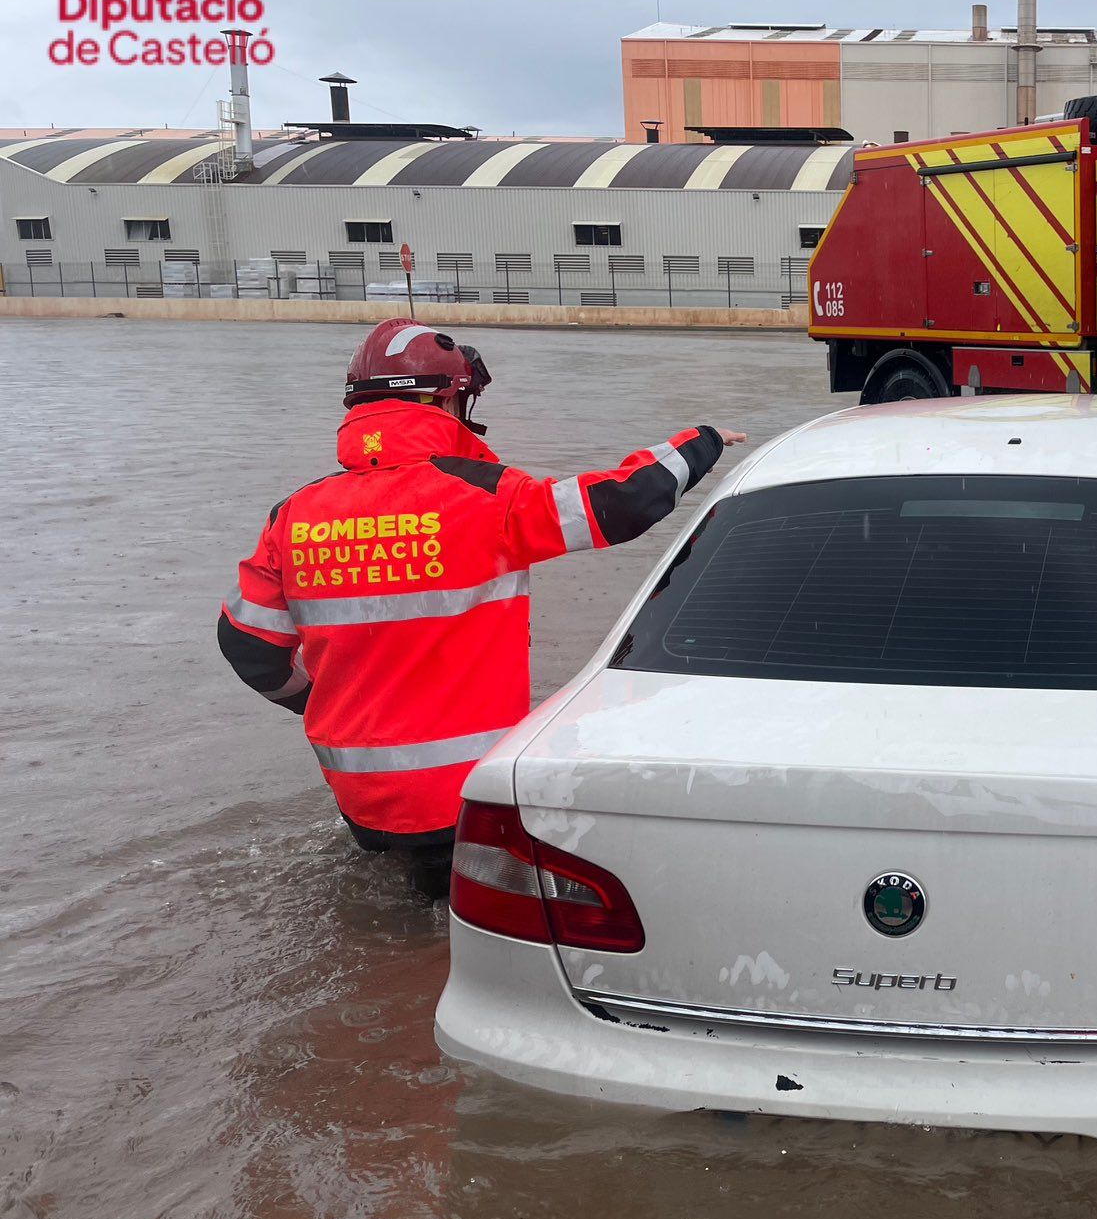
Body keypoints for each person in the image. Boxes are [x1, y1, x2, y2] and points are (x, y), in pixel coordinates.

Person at [216, 318, 744, 892]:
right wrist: (700, 443)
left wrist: (319, 704)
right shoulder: (484, 496)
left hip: (358, 795)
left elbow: (247, 647)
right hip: (466, 795)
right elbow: (619, 504)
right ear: (445, 399)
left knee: (381, 911)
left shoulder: (293, 515)